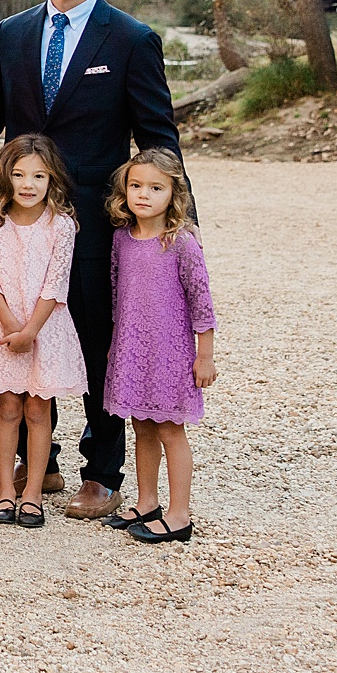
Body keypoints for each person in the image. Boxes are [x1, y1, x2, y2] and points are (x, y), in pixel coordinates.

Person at [0, 0, 185, 520]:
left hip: (97, 220)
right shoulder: (12, 35)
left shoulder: (130, 39)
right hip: (20, 222)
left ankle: (102, 472)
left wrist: (178, 224)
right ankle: (32, 466)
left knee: (98, 342)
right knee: (21, 331)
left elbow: (159, 137)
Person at [103, 149, 219, 544]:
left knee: (171, 430)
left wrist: (205, 355)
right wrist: (116, 343)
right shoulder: (122, 239)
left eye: (155, 188)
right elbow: (119, 293)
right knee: (142, 427)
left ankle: (179, 513)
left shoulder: (181, 242)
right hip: (133, 350)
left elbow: (201, 301)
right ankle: (147, 500)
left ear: (173, 193)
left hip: (170, 352)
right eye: (136, 186)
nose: (143, 195)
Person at [0, 134, 85, 530]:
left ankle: (34, 493)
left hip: (45, 327)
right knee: (8, 408)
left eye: (38, 175)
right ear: (6, 176)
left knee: (39, 410)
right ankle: (6, 490)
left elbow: (56, 283)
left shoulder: (62, 226)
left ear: (52, 179)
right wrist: (10, 325)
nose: (28, 184)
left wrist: (31, 330)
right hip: (4, 326)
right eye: (19, 174)